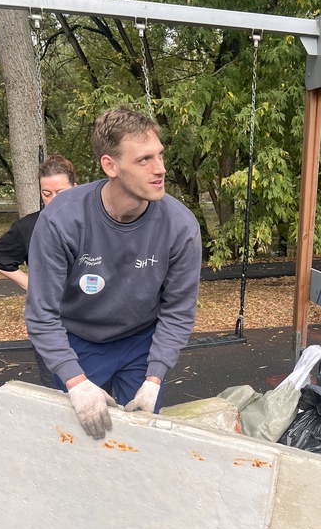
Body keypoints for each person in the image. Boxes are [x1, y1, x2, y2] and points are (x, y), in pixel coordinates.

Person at [25, 106, 202, 440]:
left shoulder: (180, 226)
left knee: (141, 437)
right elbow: (41, 314)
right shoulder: (62, 220)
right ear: (111, 165)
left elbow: (178, 310)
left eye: (160, 156)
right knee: (75, 440)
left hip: (140, 341)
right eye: (144, 160)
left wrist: (155, 378)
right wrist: (74, 382)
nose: (160, 169)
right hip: (78, 339)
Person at [0, 154, 79, 386]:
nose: (53, 200)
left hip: (93, 323)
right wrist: (33, 285)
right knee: (56, 390)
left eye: (61, 192)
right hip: (50, 323)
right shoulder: (29, 226)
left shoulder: (94, 222)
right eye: (46, 194)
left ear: (76, 188)